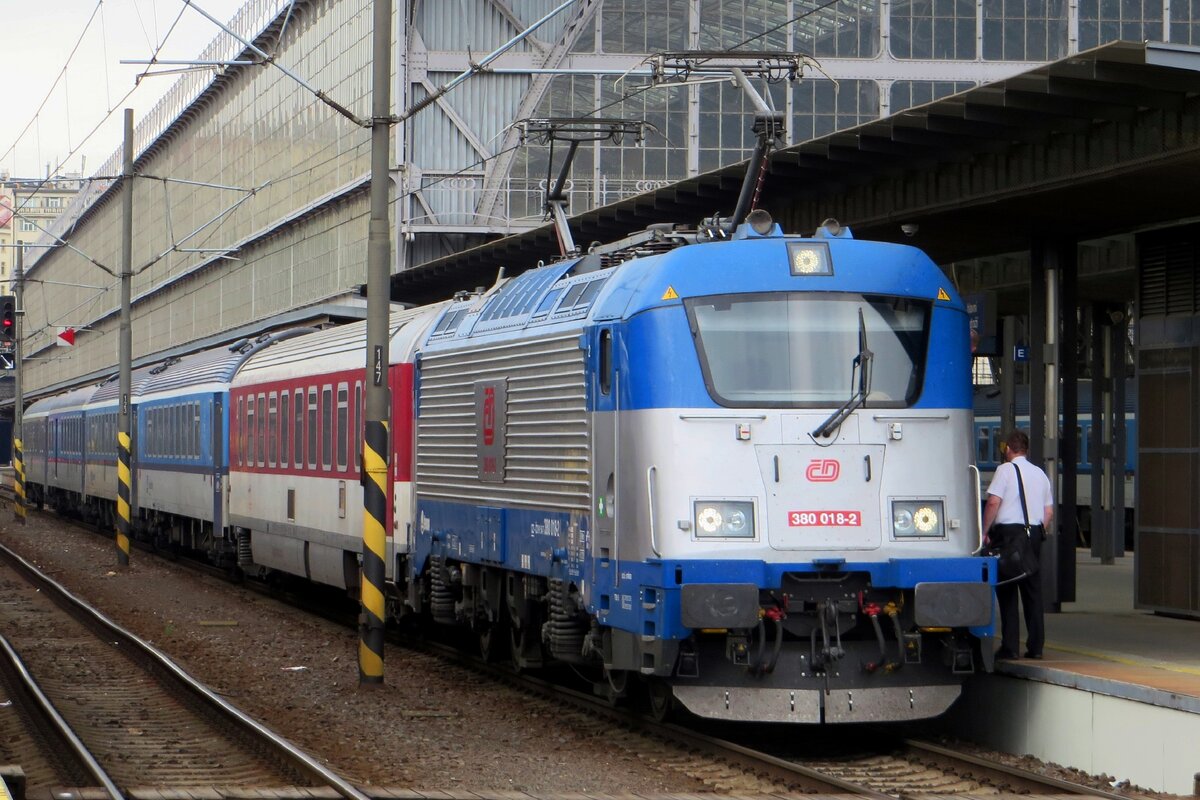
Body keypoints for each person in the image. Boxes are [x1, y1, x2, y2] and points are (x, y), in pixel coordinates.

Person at [981, 429, 1054, 660]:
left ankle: (1010, 647)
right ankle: (1036, 647)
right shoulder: (1040, 473)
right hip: (1033, 534)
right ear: (1027, 450)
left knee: (1008, 588)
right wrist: (1039, 531)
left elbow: (993, 502)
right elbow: (1048, 511)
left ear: (1008, 450)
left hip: (1009, 535)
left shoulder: (1005, 470)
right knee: (1033, 591)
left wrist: (983, 531)